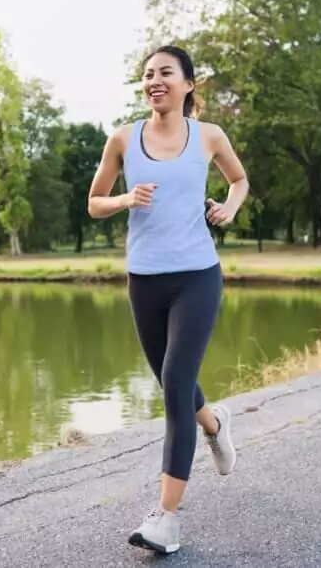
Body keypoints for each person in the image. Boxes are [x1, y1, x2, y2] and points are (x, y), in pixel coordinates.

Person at [87, 45, 249, 555]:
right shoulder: (122, 138)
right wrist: (125, 199)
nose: (154, 81)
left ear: (188, 84)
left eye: (165, 74)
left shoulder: (209, 136)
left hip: (198, 276)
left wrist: (228, 206)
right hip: (145, 280)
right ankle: (215, 424)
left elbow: (239, 180)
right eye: (147, 75)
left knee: (176, 384)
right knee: (171, 381)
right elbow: (94, 202)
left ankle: (166, 518)